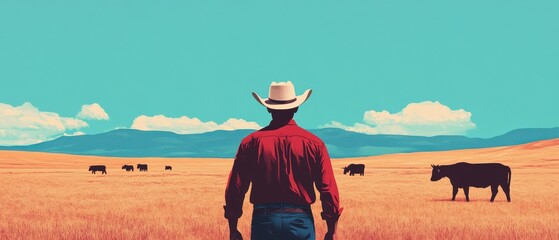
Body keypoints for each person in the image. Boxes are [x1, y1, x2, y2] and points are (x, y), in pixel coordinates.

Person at [224, 81, 343, 240]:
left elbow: (236, 188)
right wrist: (332, 230)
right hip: (301, 220)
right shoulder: (315, 144)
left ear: (268, 108)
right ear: (296, 108)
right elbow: (327, 189)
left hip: (264, 220)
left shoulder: (250, 143)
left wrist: (233, 228)